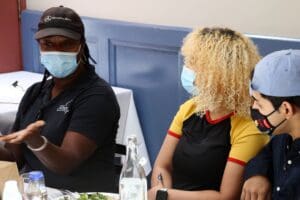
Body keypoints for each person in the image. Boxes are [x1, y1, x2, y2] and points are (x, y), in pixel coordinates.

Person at [0, 6, 120, 192]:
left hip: (82, 195)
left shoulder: (97, 96)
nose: (57, 50)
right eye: (48, 44)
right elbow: (15, 157)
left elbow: (66, 163)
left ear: (81, 45)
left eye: (66, 44)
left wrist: (36, 141)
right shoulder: (35, 93)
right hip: (35, 192)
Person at [148, 27, 269, 200]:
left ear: (218, 74)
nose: (187, 68)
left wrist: (165, 195)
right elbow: (162, 165)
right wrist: (161, 190)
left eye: (193, 63)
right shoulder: (190, 108)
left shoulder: (248, 126)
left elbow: (226, 196)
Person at [241, 49, 300, 200]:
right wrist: (258, 174)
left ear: (286, 109)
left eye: (259, 104)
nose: (253, 107)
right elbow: (265, 155)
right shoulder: (284, 136)